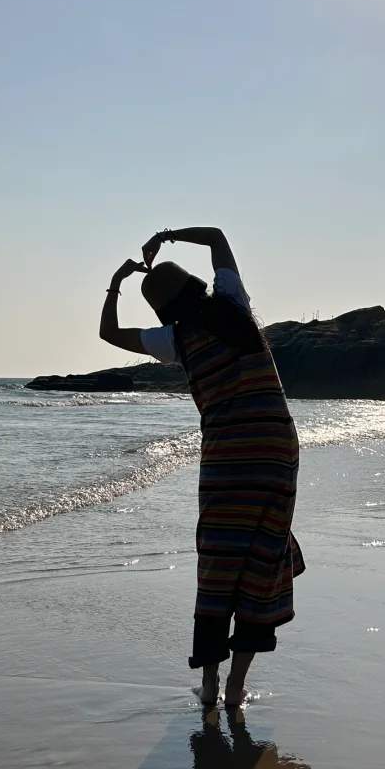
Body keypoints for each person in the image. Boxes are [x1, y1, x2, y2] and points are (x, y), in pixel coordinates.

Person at [99, 227, 304, 708]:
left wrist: (116, 282)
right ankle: (237, 687)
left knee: (218, 565)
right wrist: (166, 237)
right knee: (261, 558)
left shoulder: (175, 339)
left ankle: (211, 684)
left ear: (163, 309)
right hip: (275, 447)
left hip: (226, 459)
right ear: (194, 285)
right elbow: (217, 236)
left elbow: (108, 333)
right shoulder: (233, 305)